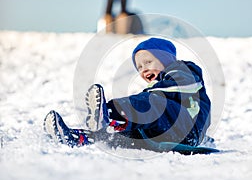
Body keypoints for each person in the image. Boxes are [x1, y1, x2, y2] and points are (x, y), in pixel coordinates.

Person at [44, 37, 211, 152]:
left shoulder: (183, 70)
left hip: (187, 128)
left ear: (167, 59)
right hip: (165, 134)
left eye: (148, 62)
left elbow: (175, 88)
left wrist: (144, 99)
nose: (143, 69)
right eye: (139, 67)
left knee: (153, 104)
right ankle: (80, 137)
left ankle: (109, 113)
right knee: (125, 136)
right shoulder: (158, 90)